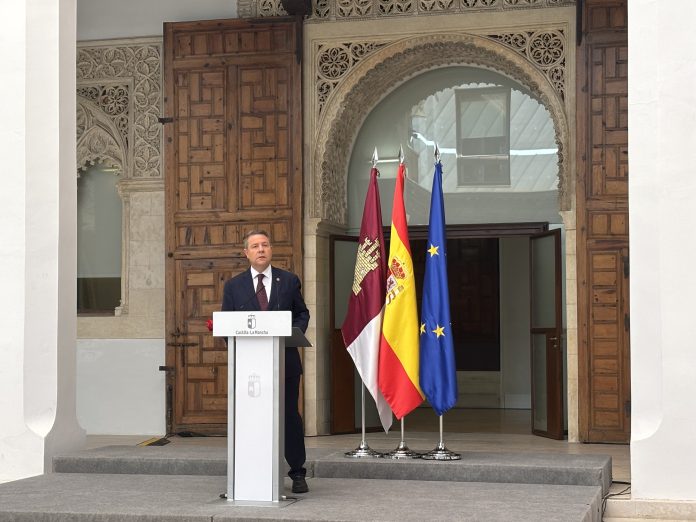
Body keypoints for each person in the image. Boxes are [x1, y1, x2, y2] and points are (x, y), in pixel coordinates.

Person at [221, 230, 310, 494]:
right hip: (250, 369)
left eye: (265, 245)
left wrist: (295, 332)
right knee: (251, 417)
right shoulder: (234, 287)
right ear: (246, 253)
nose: (261, 250)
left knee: (289, 417)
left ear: (271, 250)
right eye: (255, 246)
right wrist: (240, 351)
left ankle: (297, 472)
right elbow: (228, 324)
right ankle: (250, 472)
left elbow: (302, 313)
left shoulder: (289, 281)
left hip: (285, 364)